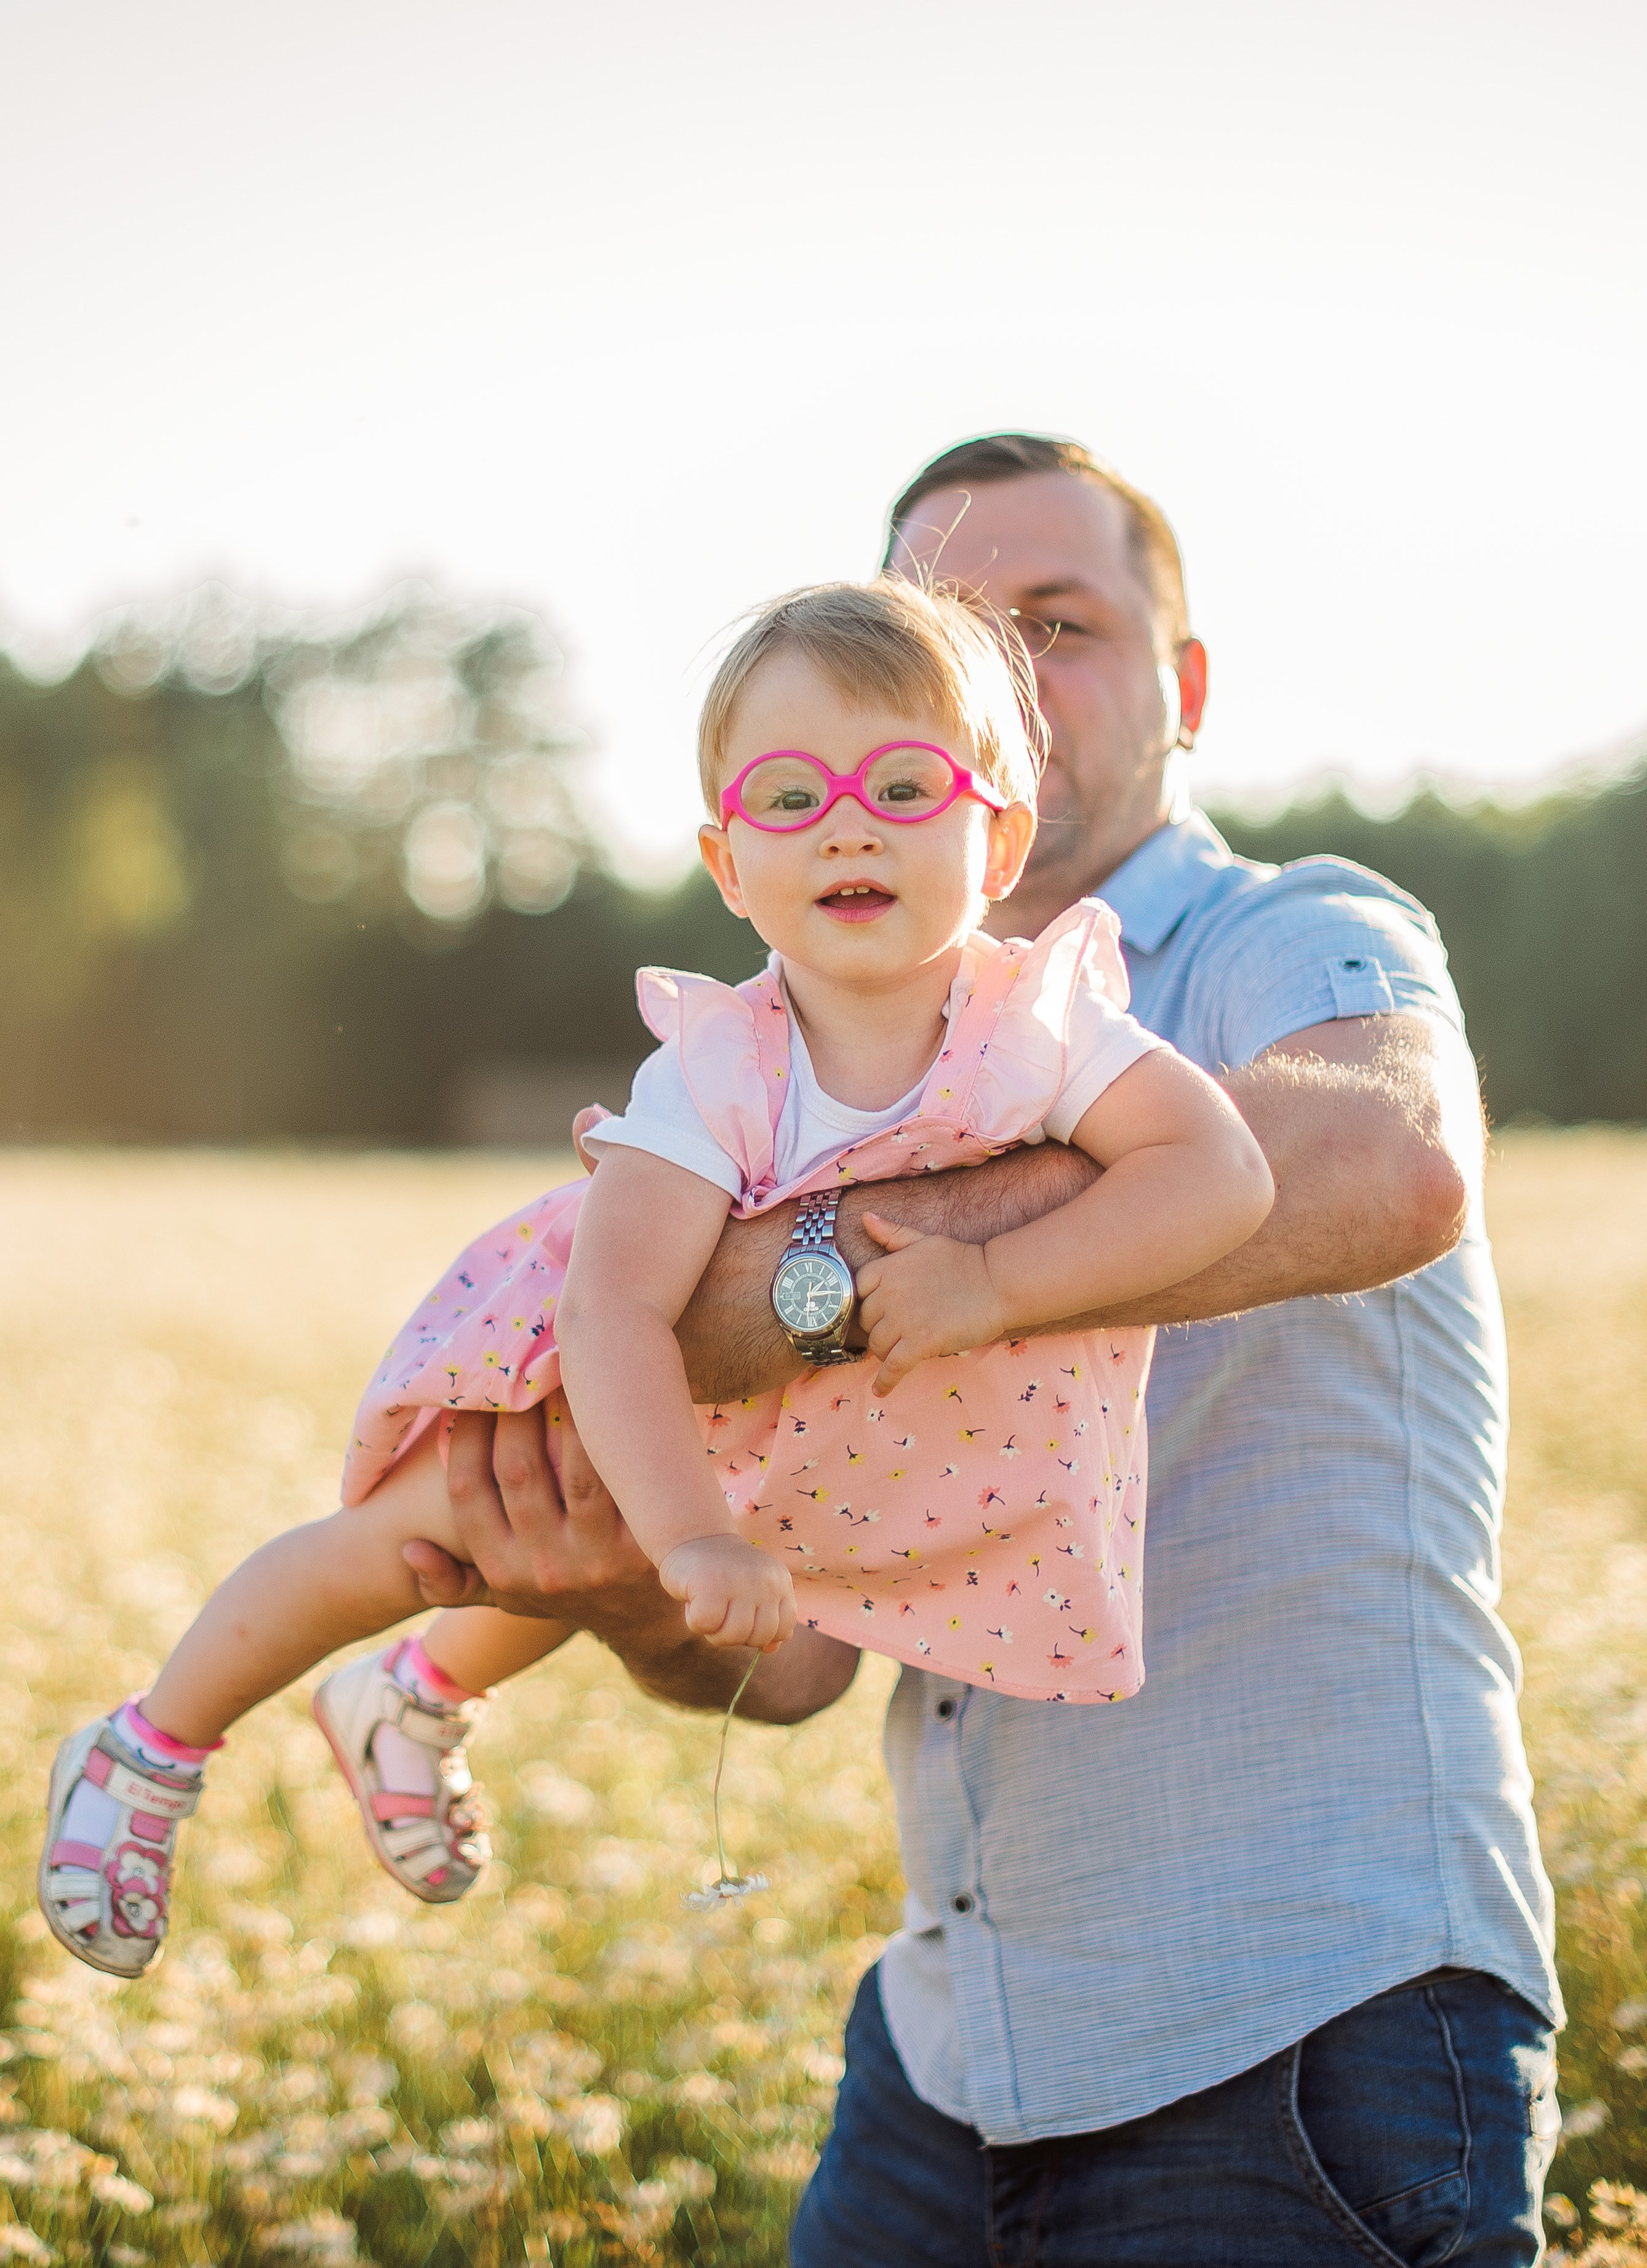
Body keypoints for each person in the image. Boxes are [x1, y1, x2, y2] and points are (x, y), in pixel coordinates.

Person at [401, 435, 1564, 2267]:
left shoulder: (1288, 935)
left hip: (1308, 2025)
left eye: (1066, 623)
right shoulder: (824, 1076)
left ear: (1182, 690)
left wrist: (796, 1282)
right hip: (953, 2063)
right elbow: (790, 1672)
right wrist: (628, 1579)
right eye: (957, 629)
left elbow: (1394, 1155)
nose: (1011, 670)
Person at [39, 571, 1273, 1979]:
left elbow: (1216, 1173)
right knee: (425, 1543)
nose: (849, 822)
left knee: (574, 1569)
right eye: (790, 798)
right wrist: (688, 1531)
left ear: (998, 841)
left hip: (841, 1443)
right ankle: (148, 1746)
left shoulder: (1044, 1026)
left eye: (902, 785)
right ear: (728, 866)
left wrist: (998, 1288)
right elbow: (614, 1313)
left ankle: (410, 1694)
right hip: (623, 1389)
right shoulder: (719, 1069)